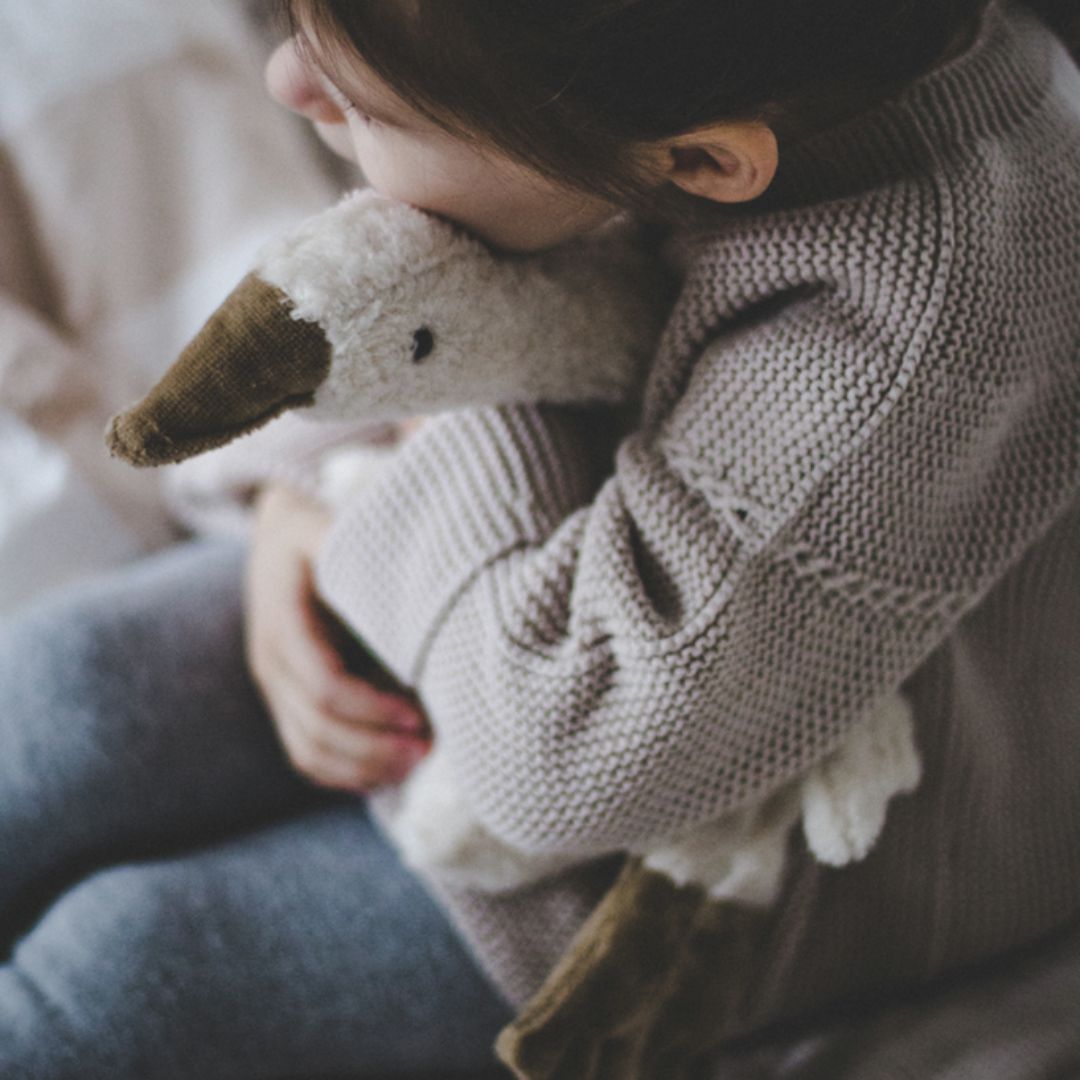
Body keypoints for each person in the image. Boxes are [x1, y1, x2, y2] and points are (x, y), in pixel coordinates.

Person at [1, 1, 1078, 1076]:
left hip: (733, 861)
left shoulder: (918, 331)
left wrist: (375, 496)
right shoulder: (654, 85)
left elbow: (562, 763)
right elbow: (470, 286)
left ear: (698, 161)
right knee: (64, 692)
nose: (287, 80)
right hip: (523, 566)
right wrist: (300, 501)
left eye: (367, 105)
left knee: (131, 975)